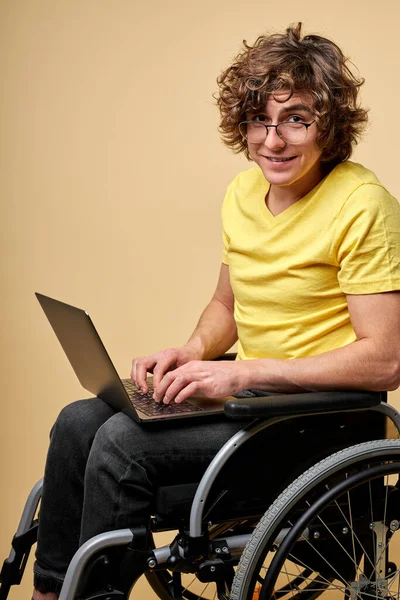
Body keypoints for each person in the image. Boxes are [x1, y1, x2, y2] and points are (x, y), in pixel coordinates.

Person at [33, 23, 400, 600]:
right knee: (77, 423)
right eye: (260, 120)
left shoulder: (363, 206)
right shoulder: (241, 195)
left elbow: (384, 361)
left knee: (120, 446)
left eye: (296, 119)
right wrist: (195, 350)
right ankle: (52, 593)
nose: (273, 141)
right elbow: (226, 304)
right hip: (250, 405)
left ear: (329, 123)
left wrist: (245, 371)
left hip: (315, 425)